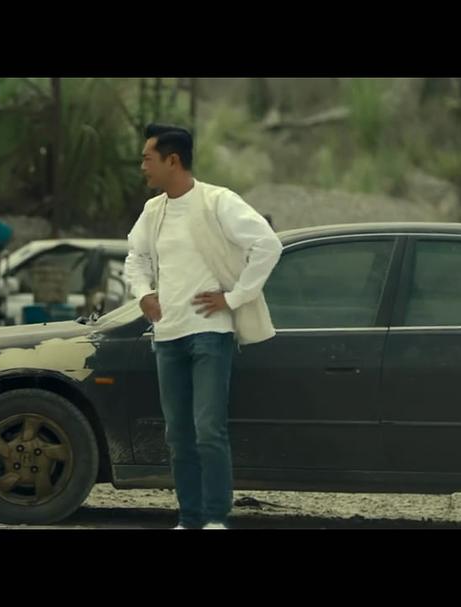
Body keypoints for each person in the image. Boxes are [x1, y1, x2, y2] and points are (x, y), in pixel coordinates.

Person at [123, 124, 282, 529]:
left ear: (172, 160)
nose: (143, 166)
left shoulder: (217, 201)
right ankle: (189, 518)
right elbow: (135, 257)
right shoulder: (153, 210)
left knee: (208, 430)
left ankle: (214, 518)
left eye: (148, 158)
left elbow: (268, 244)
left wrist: (235, 297)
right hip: (168, 336)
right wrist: (143, 294)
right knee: (178, 436)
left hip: (210, 333)